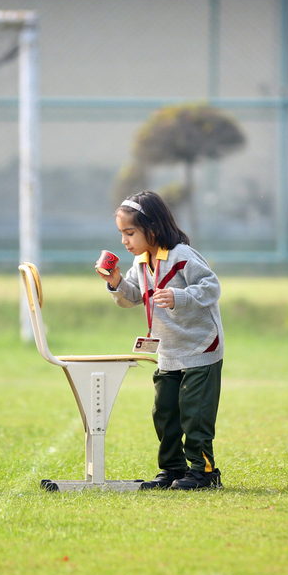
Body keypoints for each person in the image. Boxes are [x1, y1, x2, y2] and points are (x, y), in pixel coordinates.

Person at [98, 190, 225, 491]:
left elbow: (211, 286)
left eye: (130, 232)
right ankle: (172, 469)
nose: (124, 241)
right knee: (165, 413)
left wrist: (180, 296)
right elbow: (132, 297)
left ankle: (204, 472)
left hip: (199, 348)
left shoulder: (182, 256)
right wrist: (115, 282)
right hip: (168, 350)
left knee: (194, 416)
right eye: (121, 234)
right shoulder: (142, 262)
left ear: (152, 229)